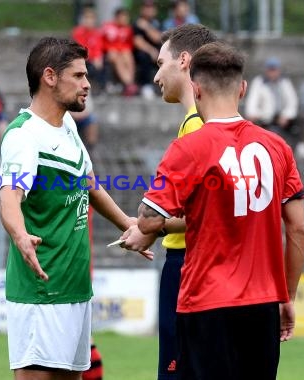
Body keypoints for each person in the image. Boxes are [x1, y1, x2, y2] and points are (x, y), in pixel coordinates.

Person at [134, 41, 304, 379]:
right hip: (263, 304)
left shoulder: (187, 148)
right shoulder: (278, 148)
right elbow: (298, 229)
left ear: (195, 89)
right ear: (242, 89)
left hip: (206, 301)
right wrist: (287, 295)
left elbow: (149, 218)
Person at [0, 37, 152, 380]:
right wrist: (21, 236)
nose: (87, 84)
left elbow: (89, 183)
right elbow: (8, 196)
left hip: (74, 287)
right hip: (42, 290)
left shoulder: (66, 126)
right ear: (49, 76)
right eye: (79, 76)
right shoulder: (24, 136)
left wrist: (125, 222)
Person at [122, 23, 217, 380]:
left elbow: (204, 216)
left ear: (184, 60)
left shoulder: (195, 128)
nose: (156, 75)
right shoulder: (212, 124)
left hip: (187, 265)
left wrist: (153, 227)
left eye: (161, 64)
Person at [101, 8, 139, 96]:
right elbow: (101, 41)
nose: (126, 19)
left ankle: (130, 83)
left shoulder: (128, 29)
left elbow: (129, 44)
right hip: (109, 52)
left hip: (122, 51)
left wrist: (123, 51)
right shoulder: (107, 27)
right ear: (117, 17)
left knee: (127, 55)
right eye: (124, 17)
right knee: (117, 57)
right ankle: (129, 84)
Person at [72, 6, 107, 94]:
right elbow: (79, 49)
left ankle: (103, 87)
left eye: (91, 18)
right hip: (82, 59)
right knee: (90, 66)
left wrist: (98, 57)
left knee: (105, 63)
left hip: (94, 59)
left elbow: (98, 48)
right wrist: (93, 57)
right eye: (87, 18)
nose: (89, 21)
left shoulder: (97, 33)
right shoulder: (78, 32)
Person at [132, 0, 162, 99]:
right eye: (146, 8)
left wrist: (146, 27)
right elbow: (138, 42)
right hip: (142, 53)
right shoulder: (137, 23)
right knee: (144, 56)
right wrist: (151, 50)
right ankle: (146, 86)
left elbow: (158, 38)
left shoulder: (156, 23)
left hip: (157, 52)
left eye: (151, 8)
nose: (149, 10)